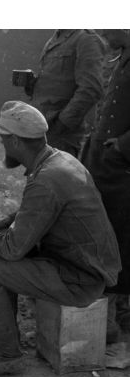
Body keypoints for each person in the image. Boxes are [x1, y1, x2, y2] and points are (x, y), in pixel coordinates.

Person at [0, 101, 120, 377]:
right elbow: (40, 211)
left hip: (79, 279)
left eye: (4, 140)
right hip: (81, 266)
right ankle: (0, 326)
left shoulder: (47, 179)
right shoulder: (59, 161)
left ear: (15, 141)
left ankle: (7, 355)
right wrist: (4, 223)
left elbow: (13, 248)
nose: (3, 146)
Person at [82, 29, 130, 344]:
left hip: (122, 168)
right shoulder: (123, 56)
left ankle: (120, 318)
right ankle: (109, 310)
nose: (102, 33)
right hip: (106, 165)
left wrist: (123, 146)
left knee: (123, 236)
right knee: (106, 231)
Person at [27, 29, 105, 157]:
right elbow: (57, 83)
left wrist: (62, 124)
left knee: (56, 175)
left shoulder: (86, 39)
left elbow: (90, 89)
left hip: (62, 135)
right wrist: (33, 85)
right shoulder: (54, 39)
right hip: (43, 128)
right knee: (39, 175)